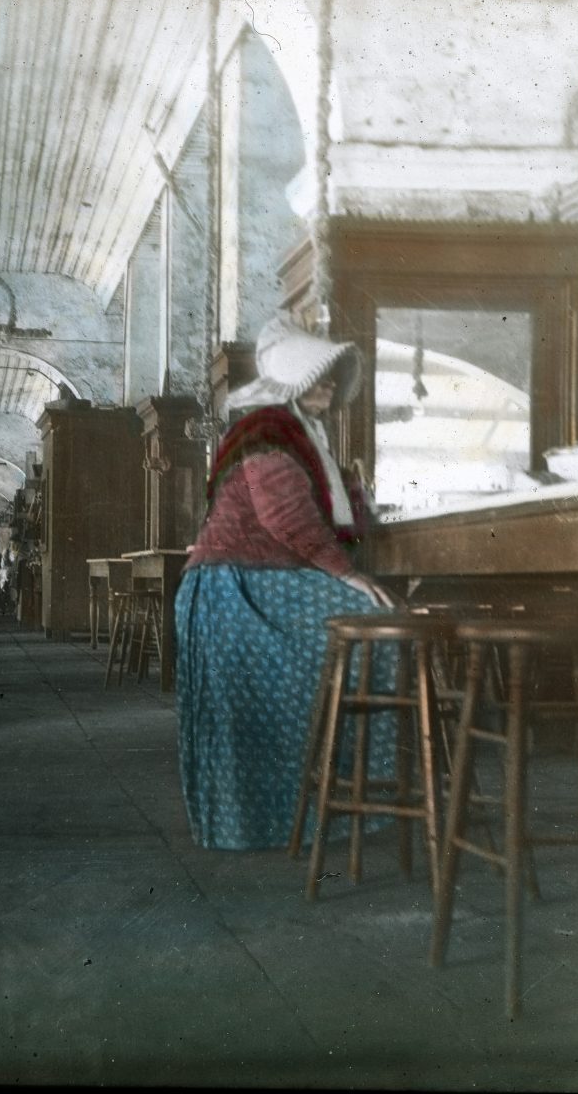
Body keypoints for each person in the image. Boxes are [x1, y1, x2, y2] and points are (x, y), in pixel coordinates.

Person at [175, 312, 399, 851]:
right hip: (234, 591)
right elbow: (288, 522)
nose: (327, 385)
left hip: (256, 579)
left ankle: (344, 807)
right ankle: (329, 810)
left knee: (377, 622)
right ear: (293, 383)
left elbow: (312, 518)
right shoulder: (268, 433)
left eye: (331, 377)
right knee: (377, 623)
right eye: (318, 375)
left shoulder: (299, 433)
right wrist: (349, 575)